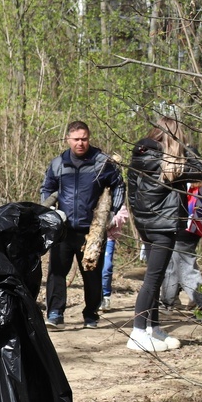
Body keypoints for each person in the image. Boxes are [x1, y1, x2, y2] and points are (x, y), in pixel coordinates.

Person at [126, 115, 202, 352]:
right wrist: (187, 148)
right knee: (153, 280)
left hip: (146, 224)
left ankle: (153, 328)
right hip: (164, 226)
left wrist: (140, 219)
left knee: (157, 278)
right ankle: (138, 332)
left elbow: (132, 192)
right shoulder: (173, 163)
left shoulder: (140, 155)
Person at [39, 120, 125, 328]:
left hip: (92, 230)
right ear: (68, 139)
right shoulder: (58, 163)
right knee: (57, 272)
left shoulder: (102, 162)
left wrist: (112, 215)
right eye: (76, 139)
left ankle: (91, 315)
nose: (80, 143)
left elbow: (119, 186)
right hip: (64, 229)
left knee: (92, 274)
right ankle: (55, 315)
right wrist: (50, 212)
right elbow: (47, 188)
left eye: (84, 139)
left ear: (89, 138)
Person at [160, 182, 202, 319]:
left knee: (188, 269)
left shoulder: (186, 185)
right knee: (171, 267)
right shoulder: (198, 186)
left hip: (184, 230)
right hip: (192, 230)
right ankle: (167, 303)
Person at [100, 203, 129, 311]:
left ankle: (105, 296)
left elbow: (124, 214)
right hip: (92, 237)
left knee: (106, 267)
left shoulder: (116, 198)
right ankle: (95, 297)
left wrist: (113, 221)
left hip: (109, 239)